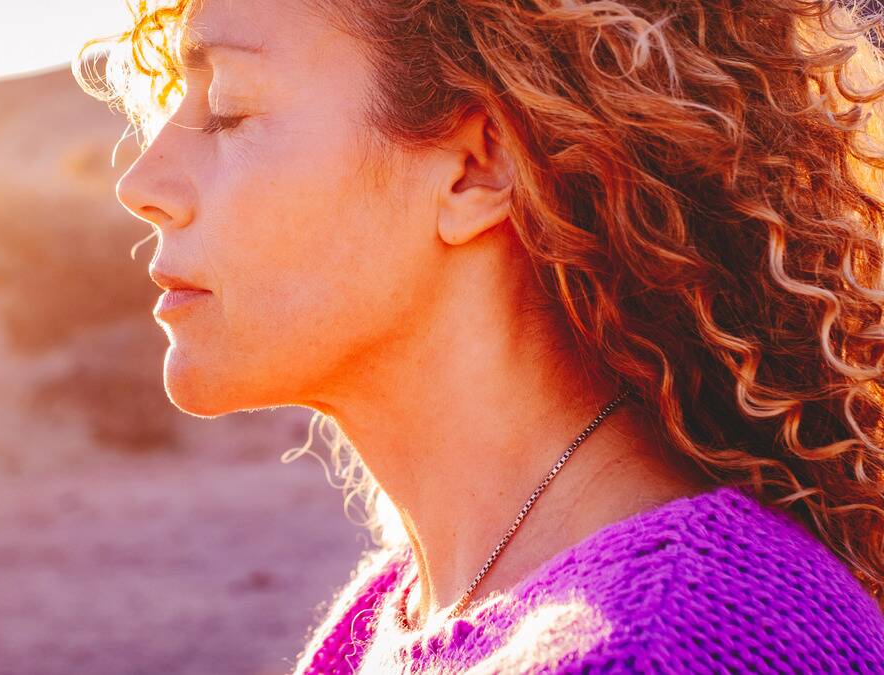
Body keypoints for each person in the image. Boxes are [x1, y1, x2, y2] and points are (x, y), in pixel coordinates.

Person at [77, 0, 884, 671]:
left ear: (476, 168)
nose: (141, 183)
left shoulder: (676, 639)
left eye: (227, 110)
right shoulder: (382, 620)